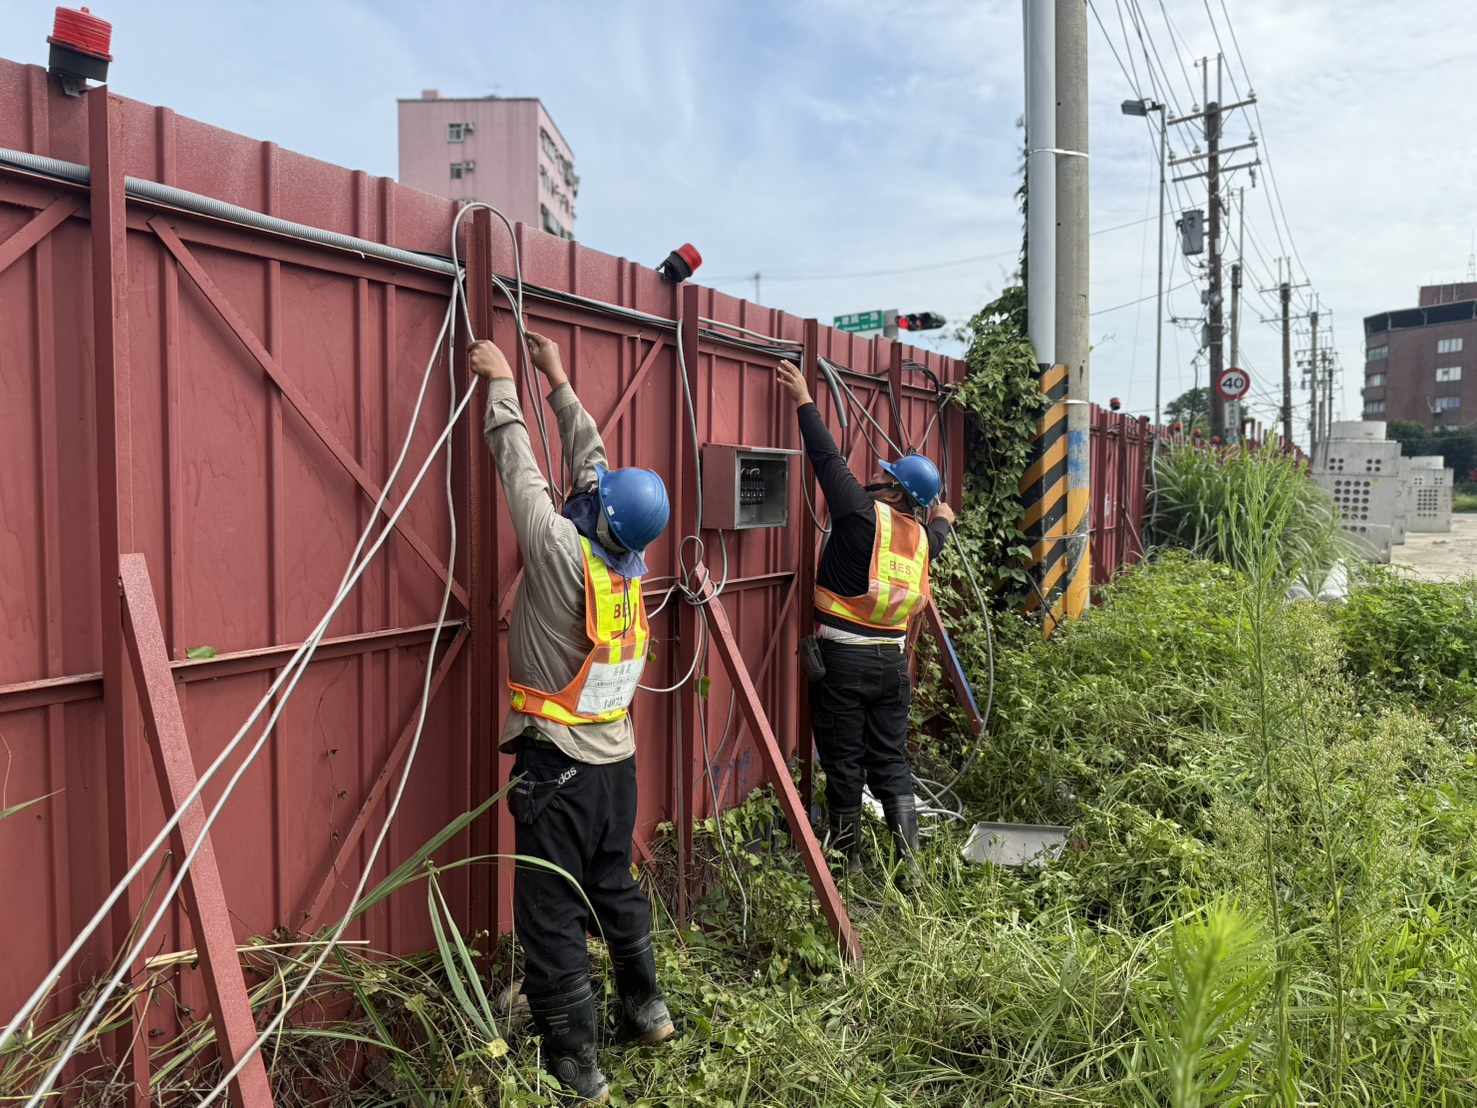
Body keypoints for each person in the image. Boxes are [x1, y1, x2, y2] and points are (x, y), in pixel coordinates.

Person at [469, 332, 674, 1105]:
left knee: (550, 913)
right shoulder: (627, 562)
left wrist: (502, 386)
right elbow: (594, 467)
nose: (591, 484)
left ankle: (576, 1062)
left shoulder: (559, 547)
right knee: (613, 885)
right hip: (614, 765)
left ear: (595, 513)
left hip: (556, 766)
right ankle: (647, 1008)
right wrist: (557, 379)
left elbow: (518, 468)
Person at [774, 359, 955, 878]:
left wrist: (805, 400)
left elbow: (826, 458)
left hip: (845, 663)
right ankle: (910, 869)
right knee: (891, 761)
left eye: (887, 478)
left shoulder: (859, 516)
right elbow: (939, 535)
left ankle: (847, 863)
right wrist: (940, 516)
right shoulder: (921, 539)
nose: (876, 480)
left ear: (896, 494)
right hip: (891, 668)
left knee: (844, 762)